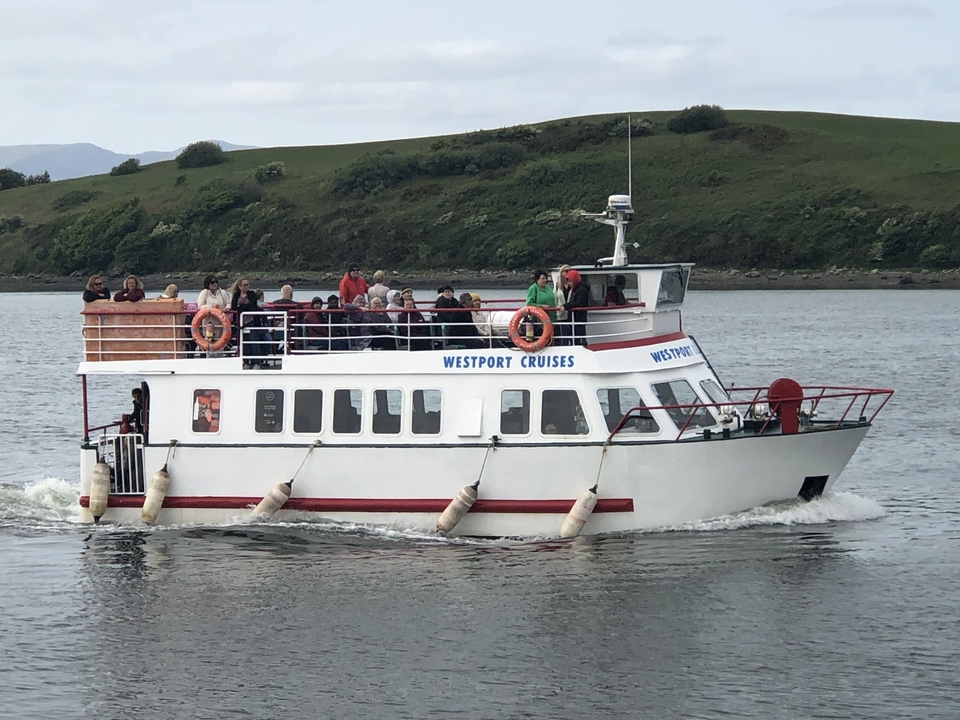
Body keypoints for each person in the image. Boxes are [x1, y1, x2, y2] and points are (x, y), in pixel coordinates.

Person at [230, 277, 267, 365]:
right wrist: (242, 308)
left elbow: (252, 306)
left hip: (252, 321)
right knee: (244, 342)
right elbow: (234, 307)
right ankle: (245, 362)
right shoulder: (236, 295)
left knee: (254, 342)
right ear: (239, 286)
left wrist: (241, 307)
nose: (247, 286)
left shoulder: (251, 294)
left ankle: (256, 363)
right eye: (244, 285)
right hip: (241, 322)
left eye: (247, 284)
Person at [524, 269, 557, 345]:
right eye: (543, 278)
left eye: (546, 278)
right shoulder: (533, 288)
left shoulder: (548, 288)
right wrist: (540, 306)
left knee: (552, 337)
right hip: (539, 321)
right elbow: (529, 303)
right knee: (542, 339)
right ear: (537, 279)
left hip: (551, 318)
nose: (545, 280)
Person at [563, 269, 591, 346]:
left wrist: (566, 306)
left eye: (570, 281)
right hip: (575, 319)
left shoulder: (581, 290)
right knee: (575, 339)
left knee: (578, 338)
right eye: (568, 281)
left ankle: (580, 349)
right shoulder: (575, 290)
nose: (569, 283)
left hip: (578, 319)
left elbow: (579, 303)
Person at [269, 285, 300, 354]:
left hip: (277, 331)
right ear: (291, 294)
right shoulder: (297, 305)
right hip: (292, 331)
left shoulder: (274, 304)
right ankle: (297, 351)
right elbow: (300, 318)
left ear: (281, 294)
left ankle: (274, 351)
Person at [554, 264, 572, 346]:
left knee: (572, 335)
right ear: (561, 273)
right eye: (567, 271)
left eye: (570, 271)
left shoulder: (572, 285)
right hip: (561, 314)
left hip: (571, 314)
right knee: (564, 336)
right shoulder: (557, 286)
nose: (569, 273)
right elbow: (555, 298)